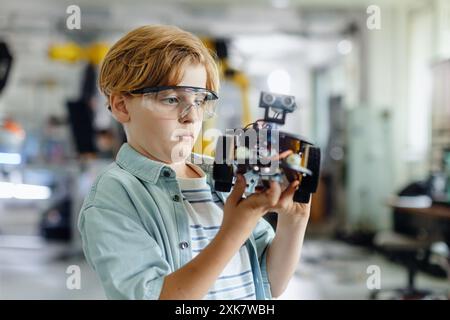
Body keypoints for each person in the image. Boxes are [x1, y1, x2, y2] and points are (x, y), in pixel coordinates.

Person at [78, 25, 311, 300]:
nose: (191, 116)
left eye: (199, 100)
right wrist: (235, 229)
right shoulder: (115, 196)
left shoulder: (220, 176)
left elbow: (268, 283)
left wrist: (295, 219)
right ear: (121, 105)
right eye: (172, 99)